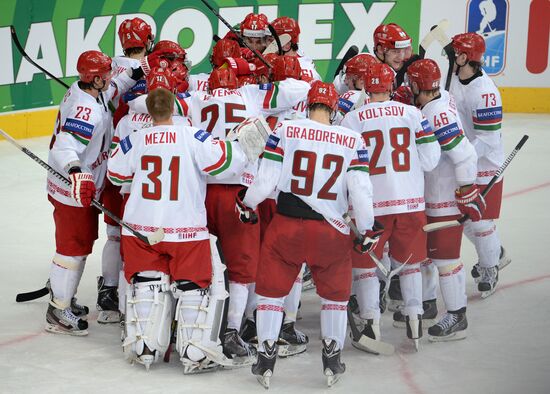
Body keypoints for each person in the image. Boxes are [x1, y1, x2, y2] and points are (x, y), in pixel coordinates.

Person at [107, 86, 265, 371]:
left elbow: (116, 174)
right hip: (185, 230)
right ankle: (195, 353)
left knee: (145, 285)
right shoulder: (192, 136)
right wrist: (243, 145)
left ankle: (144, 347)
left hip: (142, 230)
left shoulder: (134, 140)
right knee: (197, 288)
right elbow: (225, 162)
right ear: (173, 109)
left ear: (151, 112)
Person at [236, 81, 378, 388]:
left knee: (272, 295)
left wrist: (247, 203)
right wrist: (366, 229)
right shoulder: (352, 139)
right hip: (330, 232)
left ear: (308, 105)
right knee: (335, 299)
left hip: (286, 226)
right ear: (333, 108)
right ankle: (331, 357)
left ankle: (266, 356)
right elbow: (361, 192)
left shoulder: (286, 130)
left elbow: (265, 181)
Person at [341, 63, 440, 349]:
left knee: (365, 266)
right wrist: (408, 173)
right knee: (408, 263)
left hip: (371, 206)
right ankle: (414, 318)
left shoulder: (354, 119)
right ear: (392, 86)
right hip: (410, 202)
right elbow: (431, 160)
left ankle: (371, 323)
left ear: (366, 88)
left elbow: (347, 165)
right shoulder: (413, 113)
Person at [45, 50, 144, 335]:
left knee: (81, 244)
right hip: (70, 190)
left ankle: (64, 299)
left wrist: (135, 73)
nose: (111, 77)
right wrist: (76, 171)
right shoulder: (84, 110)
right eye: (107, 74)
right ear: (96, 79)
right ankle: (58, 310)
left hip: (79, 186)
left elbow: (114, 87)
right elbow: (64, 145)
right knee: (71, 249)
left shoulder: (90, 90)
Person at [404, 59, 479, 340]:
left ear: (415, 85)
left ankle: (458, 315)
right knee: (427, 256)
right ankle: (428, 302)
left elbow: (464, 155)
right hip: (432, 194)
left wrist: (466, 189)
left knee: (446, 258)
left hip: (443, 196)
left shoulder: (437, 114)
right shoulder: (442, 98)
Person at [97, 17, 155, 325]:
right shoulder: (149, 69)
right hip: (145, 164)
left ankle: (109, 290)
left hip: (113, 158)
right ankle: (137, 297)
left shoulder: (107, 71)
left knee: (115, 234)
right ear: (147, 41)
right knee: (142, 236)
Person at [449, 32, 510, 298]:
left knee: (480, 222)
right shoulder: (454, 76)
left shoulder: (485, 93)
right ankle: (495, 252)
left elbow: (489, 139)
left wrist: (463, 158)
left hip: (484, 163)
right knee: (462, 219)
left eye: (453, 54)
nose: (450, 58)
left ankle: (489, 266)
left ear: (464, 57)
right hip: (463, 159)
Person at [269, 16, 321, 82]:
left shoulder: (291, 71)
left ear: (286, 45)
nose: (269, 45)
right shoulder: (305, 60)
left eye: (273, 41)